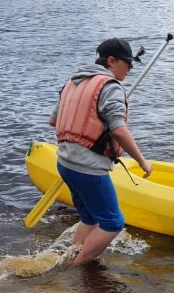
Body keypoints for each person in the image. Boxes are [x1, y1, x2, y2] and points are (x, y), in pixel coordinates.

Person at [48, 38, 153, 265]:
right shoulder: (110, 87)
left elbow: (52, 121)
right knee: (113, 223)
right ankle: (77, 268)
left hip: (65, 164)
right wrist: (142, 161)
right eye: (128, 62)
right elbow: (118, 130)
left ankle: (70, 258)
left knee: (89, 218)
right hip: (88, 169)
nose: (131, 67)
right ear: (112, 61)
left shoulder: (72, 82)